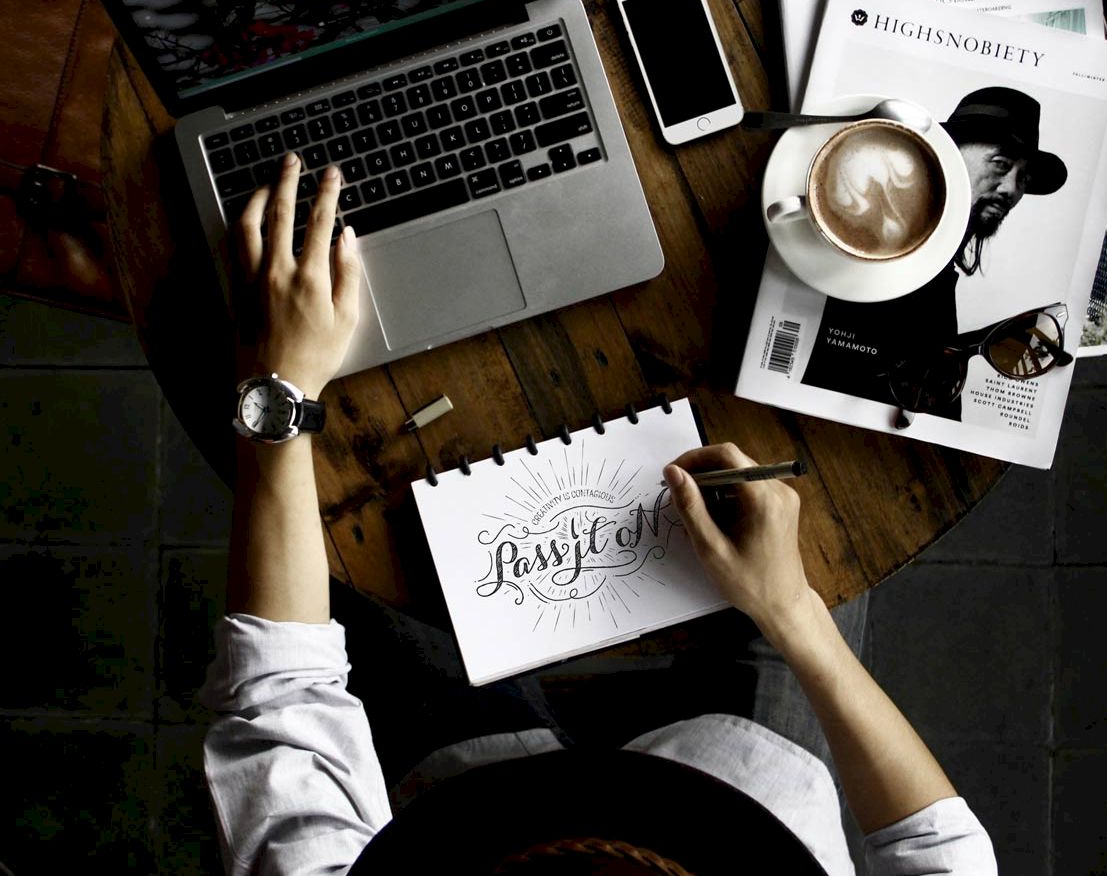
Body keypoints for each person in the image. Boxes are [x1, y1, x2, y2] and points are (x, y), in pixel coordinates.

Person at [200, 151, 997, 874]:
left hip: (467, 793)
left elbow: (282, 694)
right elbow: (943, 852)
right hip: (757, 779)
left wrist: (282, 389)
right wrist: (790, 609)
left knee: (369, 558)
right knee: (821, 491)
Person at [800, 86, 1068, 420]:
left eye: (1024, 177)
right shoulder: (884, 251)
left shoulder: (940, 274)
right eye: (1000, 164)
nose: (1013, 189)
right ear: (949, 154)